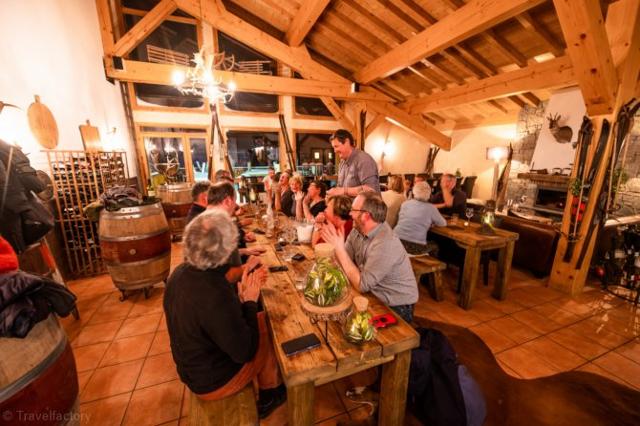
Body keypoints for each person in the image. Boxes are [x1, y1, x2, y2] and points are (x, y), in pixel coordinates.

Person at [163, 210, 286, 418]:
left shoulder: (180, 273)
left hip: (191, 370)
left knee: (256, 315)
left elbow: (214, 320)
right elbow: (245, 352)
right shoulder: (214, 289)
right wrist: (249, 301)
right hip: (215, 381)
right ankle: (271, 393)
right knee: (267, 324)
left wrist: (242, 293)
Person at [321, 192, 418, 323]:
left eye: (353, 210)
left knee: (349, 330)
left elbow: (362, 285)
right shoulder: (357, 231)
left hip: (396, 305)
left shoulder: (385, 242)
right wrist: (335, 249)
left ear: (366, 216)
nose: (349, 214)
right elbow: (342, 266)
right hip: (373, 293)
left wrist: (339, 249)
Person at [207, 182, 264, 266]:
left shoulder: (212, 218)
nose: (235, 206)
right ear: (227, 201)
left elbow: (224, 254)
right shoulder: (214, 225)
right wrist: (249, 266)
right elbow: (225, 274)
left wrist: (244, 251)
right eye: (234, 201)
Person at [394, 182, 447, 255]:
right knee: (435, 246)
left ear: (414, 192)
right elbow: (443, 223)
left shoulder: (405, 204)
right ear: (429, 195)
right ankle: (429, 265)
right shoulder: (431, 208)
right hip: (414, 247)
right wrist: (431, 222)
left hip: (395, 241)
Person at [326, 129, 380, 197]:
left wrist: (343, 191)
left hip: (365, 207)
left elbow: (371, 190)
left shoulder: (364, 160)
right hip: (348, 207)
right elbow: (340, 188)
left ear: (347, 142)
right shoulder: (342, 163)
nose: (335, 151)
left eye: (336, 146)